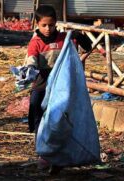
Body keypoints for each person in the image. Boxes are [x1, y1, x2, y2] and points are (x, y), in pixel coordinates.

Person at [24, 5, 91, 173]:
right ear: (37, 24)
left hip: (61, 86)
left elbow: (88, 47)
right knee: (37, 112)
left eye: (51, 25)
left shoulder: (64, 39)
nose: (48, 29)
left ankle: (58, 154)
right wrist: (29, 70)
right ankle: (44, 152)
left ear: (56, 24)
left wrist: (79, 37)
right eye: (44, 25)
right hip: (42, 83)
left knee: (59, 119)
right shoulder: (35, 43)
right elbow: (31, 59)